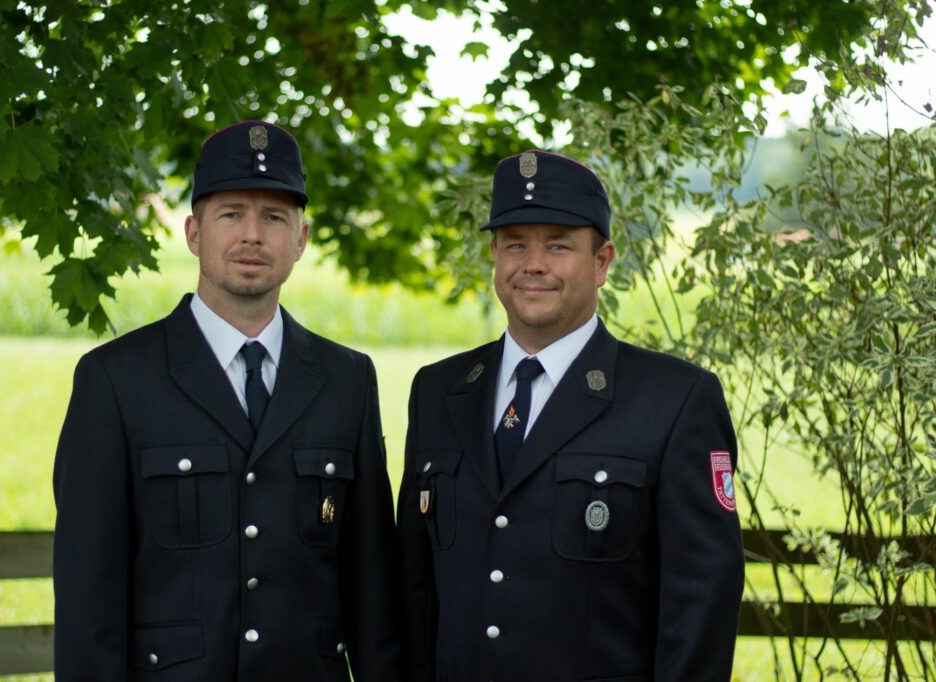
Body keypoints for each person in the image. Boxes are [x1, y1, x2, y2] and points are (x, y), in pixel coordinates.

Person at [53, 120, 403, 681]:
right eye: (232, 214)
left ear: (301, 240)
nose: (252, 236)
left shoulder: (347, 380)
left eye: (274, 218)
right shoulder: (115, 380)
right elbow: (86, 596)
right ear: (194, 233)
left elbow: (372, 586)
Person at [398, 150, 744, 682]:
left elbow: (701, 600)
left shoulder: (675, 400)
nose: (533, 264)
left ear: (602, 262)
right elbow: (413, 590)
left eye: (558, 245)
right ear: (494, 254)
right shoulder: (439, 391)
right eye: (516, 244)